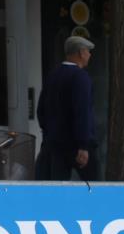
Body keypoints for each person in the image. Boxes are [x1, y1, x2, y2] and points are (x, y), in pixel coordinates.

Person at [35, 36, 98, 181]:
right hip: (75, 146)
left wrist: (50, 132)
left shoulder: (52, 76)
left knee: (57, 188)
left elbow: (41, 111)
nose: (90, 55)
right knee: (94, 187)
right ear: (81, 53)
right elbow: (82, 112)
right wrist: (84, 144)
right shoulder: (80, 77)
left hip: (54, 145)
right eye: (88, 51)